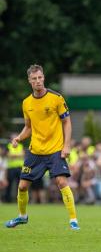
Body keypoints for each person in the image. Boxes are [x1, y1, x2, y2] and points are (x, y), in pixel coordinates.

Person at [5, 64, 79, 230]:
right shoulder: (26, 103)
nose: (38, 81)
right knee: (22, 186)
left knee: (61, 181)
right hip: (35, 151)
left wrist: (66, 146)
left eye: (40, 77)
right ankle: (22, 217)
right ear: (29, 81)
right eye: (34, 79)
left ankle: (73, 220)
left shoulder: (56, 98)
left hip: (55, 150)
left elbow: (67, 122)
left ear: (43, 78)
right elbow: (28, 127)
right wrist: (18, 137)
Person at [4, 134, 24, 202]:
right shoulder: (8, 146)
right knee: (9, 184)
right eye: (13, 138)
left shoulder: (21, 146)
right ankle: (7, 199)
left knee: (20, 185)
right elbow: (8, 155)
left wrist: (13, 155)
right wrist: (18, 155)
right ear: (11, 139)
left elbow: (22, 155)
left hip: (19, 168)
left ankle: (18, 200)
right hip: (11, 168)